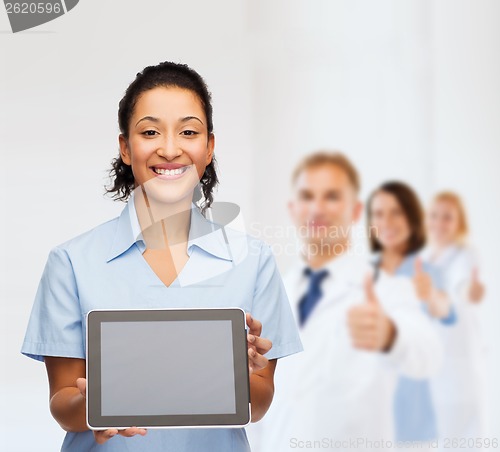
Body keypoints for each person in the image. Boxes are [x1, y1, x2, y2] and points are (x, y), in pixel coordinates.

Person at [21, 61, 303, 452]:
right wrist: (92, 406)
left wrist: (243, 375)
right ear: (125, 147)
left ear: (209, 147)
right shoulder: (71, 262)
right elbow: (62, 402)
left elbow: (259, 402)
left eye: (188, 132)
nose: (170, 149)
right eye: (150, 132)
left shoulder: (252, 261)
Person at [250, 152, 443, 452]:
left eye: (331, 196)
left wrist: (391, 335)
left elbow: (428, 355)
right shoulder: (273, 292)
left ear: (355, 210)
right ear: (293, 208)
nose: (317, 208)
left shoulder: (385, 288)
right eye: (307, 196)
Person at [366, 181, 455, 446]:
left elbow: (446, 311)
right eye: (379, 213)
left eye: (397, 212)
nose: (387, 221)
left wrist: (432, 297)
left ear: (412, 218)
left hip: (413, 420)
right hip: (367, 415)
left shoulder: (426, 271)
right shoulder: (362, 273)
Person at [422, 191, 489, 450]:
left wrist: (469, 291)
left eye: (447, 217)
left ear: (460, 222)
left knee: (463, 437)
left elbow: (465, 287)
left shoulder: (466, 255)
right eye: (434, 216)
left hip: (460, 365)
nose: (439, 223)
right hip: (435, 366)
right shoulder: (425, 260)